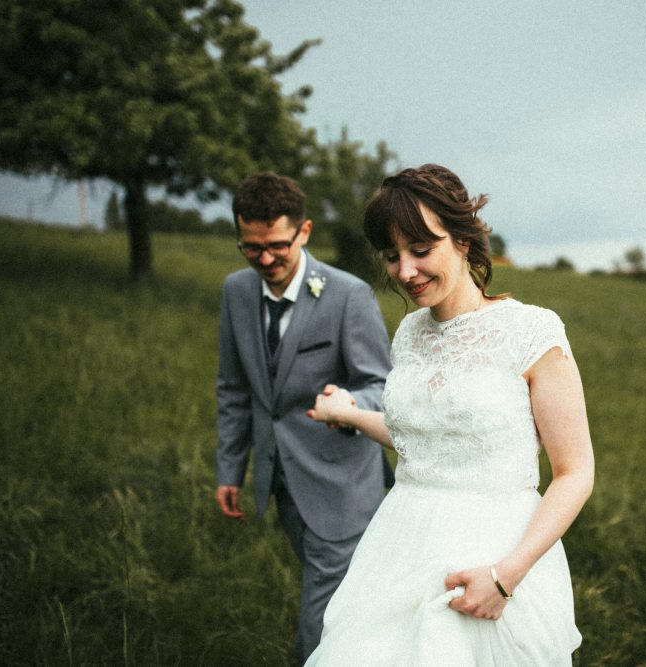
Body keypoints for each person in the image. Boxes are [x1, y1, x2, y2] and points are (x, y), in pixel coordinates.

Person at [304, 164, 595, 665]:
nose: (404, 271)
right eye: (392, 256)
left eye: (421, 250)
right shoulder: (410, 333)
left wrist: (506, 576)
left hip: (492, 555)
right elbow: (426, 440)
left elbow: (575, 473)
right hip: (399, 547)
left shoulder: (531, 331)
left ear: (463, 239)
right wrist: (350, 414)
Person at [214, 172, 392, 663]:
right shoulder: (234, 292)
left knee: (321, 620)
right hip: (279, 482)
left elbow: (383, 387)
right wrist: (231, 468)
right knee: (349, 607)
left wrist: (350, 403)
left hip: (342, 485)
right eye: (251, 248)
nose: (265, 259)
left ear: (304, 231)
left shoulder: (349, 295)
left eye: (276, 246)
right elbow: (233, 389)